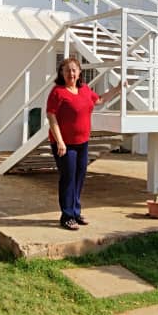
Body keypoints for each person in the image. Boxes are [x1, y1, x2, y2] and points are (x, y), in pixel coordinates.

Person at [46, 56, 126, 231]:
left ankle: (75, 212)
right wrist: (60, 142)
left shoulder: (84, 89)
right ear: (61, 73)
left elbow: (100, 100)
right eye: (67, 70)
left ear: (79, 72)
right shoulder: (57, 92)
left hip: (82, 142)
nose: (71, 73)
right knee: (68, 178)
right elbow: (51, 116)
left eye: (74, 70)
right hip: (64, 144)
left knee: (79, 178)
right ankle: (67, 216)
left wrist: (117, 89)